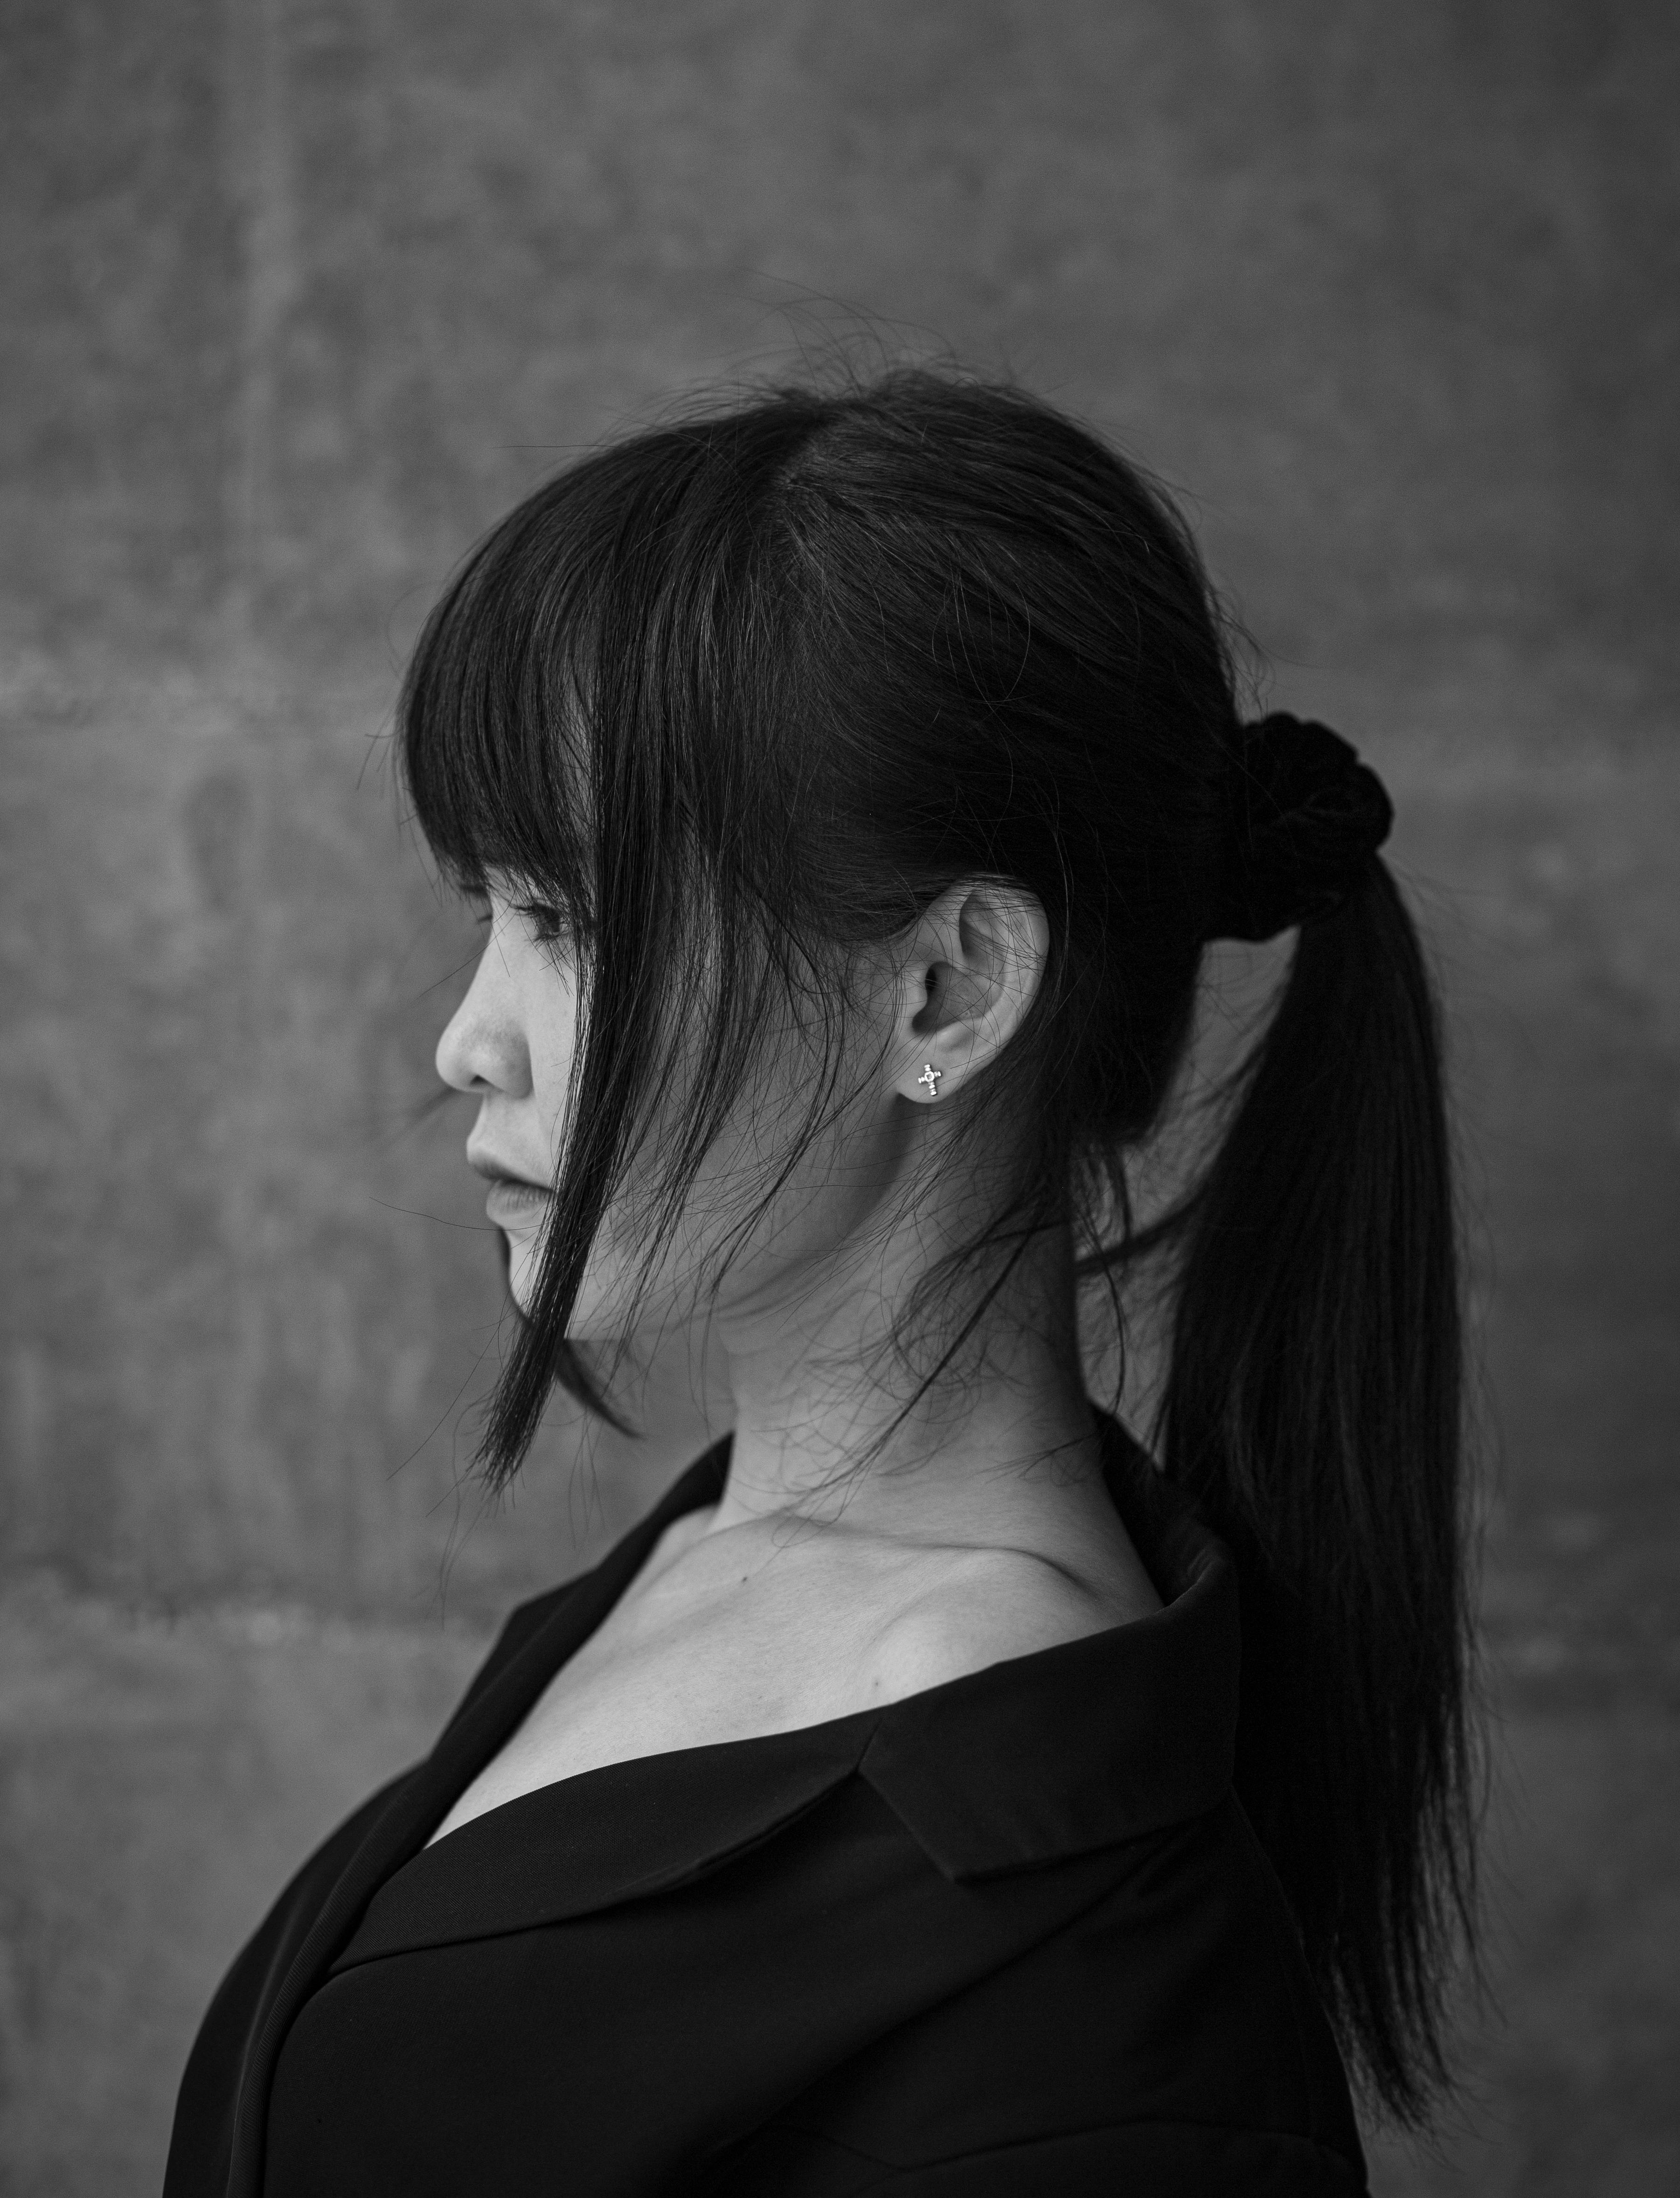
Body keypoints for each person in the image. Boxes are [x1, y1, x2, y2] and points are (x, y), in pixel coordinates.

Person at [164, 369, 1478, 2195]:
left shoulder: (1093, 1971)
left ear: (946, 991)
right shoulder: (719, 1557)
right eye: (492, 913)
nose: (469, 1039)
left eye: (573, 923)